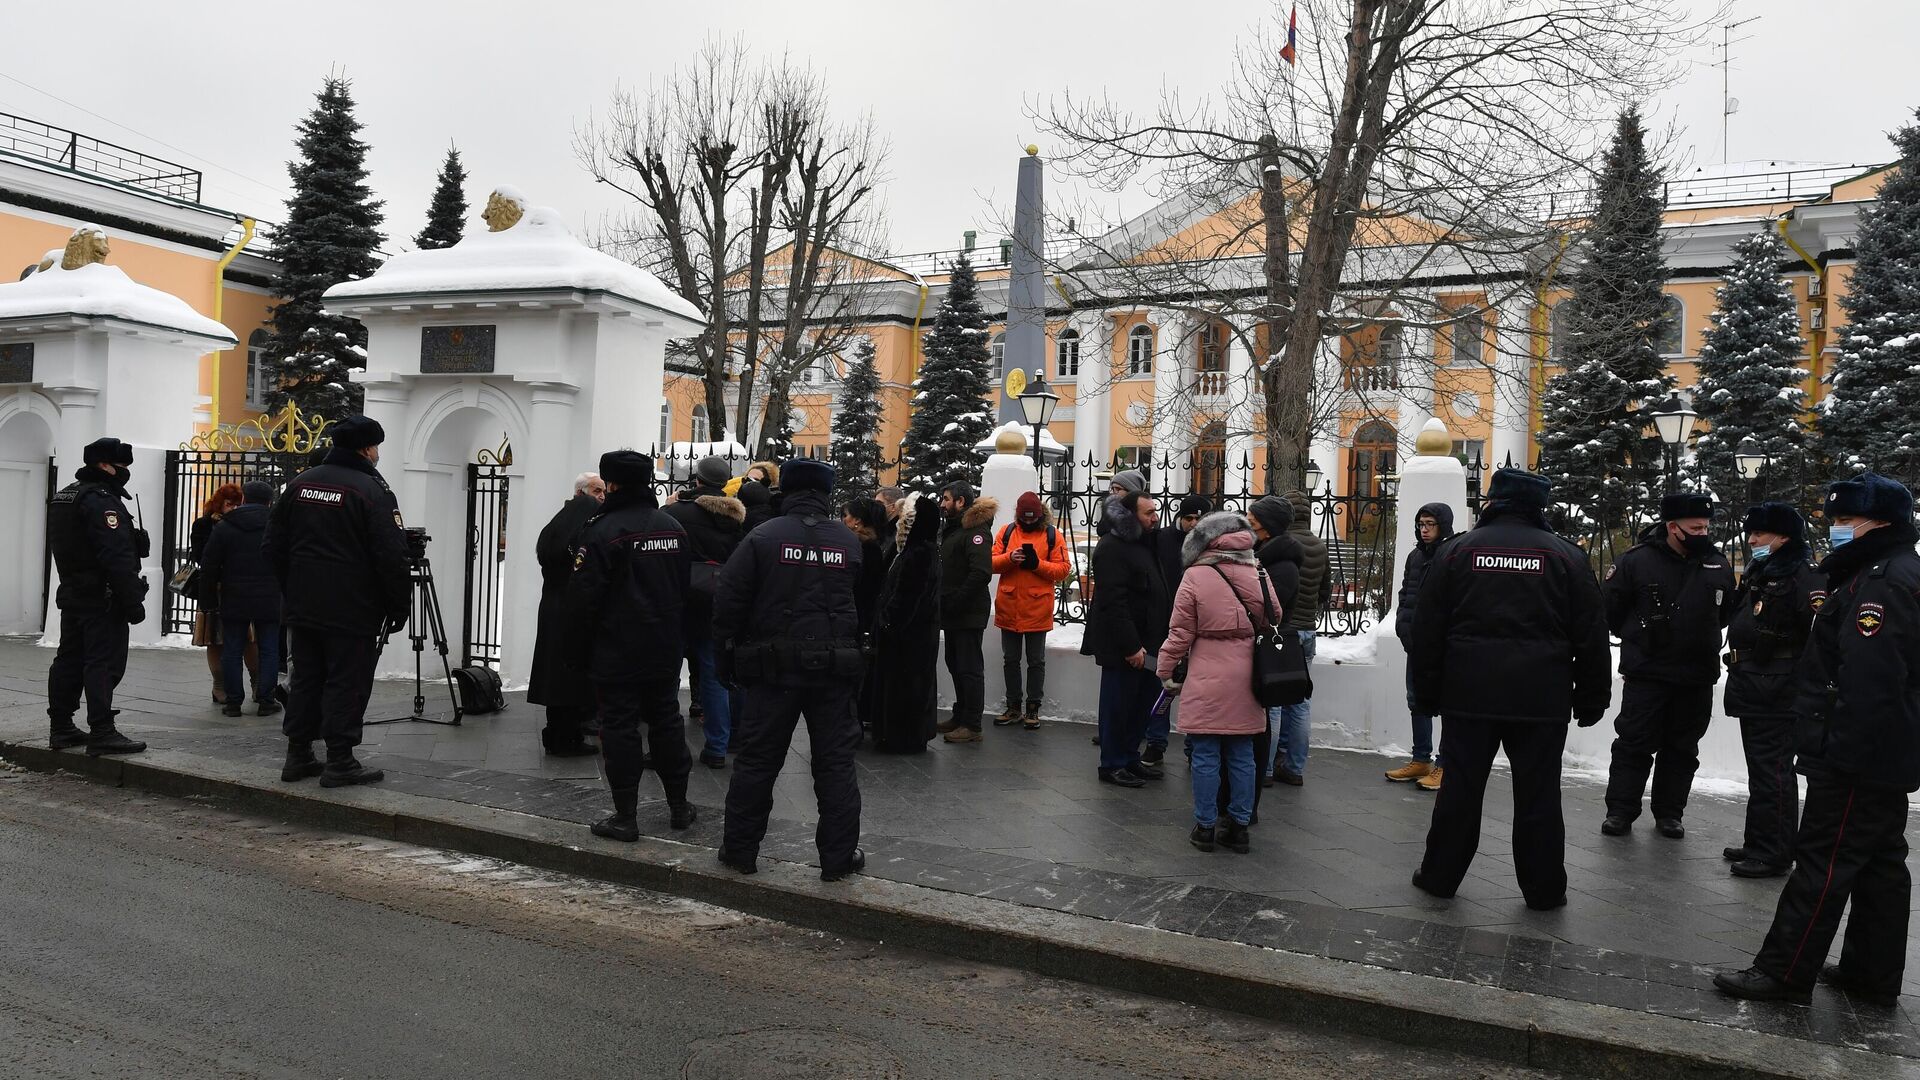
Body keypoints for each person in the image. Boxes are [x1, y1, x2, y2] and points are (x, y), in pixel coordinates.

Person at [1715, 473, 1920, 1006]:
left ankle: (1783, 972)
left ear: (1878, 523)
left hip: (1857, 754)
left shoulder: (1881, 582)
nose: (1835, 530)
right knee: (1880, 864)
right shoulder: (1880, 573)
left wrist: (1841, 755)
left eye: (1845, 521)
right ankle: (1870, 974)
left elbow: (1871, 679)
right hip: (1882, 750)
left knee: (1821, 862)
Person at [1410, 468, 1611, 911]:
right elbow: (1592, 634)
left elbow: (1428, 632)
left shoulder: (1455, 552)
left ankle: (1440, 875)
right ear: (1539, 507)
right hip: (1541, 698)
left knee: (1459, 790)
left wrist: (1425, 694)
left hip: (1469, 695)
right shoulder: (1566, 557)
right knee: (1539, 794)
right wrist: (1594, 694)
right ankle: (1544, 889)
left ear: (1492, 502)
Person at [713, 458, 866, 880]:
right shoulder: (847, 541)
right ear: (826, 493)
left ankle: (740, 850)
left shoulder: (763, 536)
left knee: (758, 762)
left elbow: (729, 598)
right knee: (835, 765)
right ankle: (838, 859)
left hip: (772, 668)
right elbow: (864, 605)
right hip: (834, 671)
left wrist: (725, 655)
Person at [265, 415, 410, 787]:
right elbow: (391, 556)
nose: (377, 454)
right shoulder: (372, 490)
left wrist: (293, 587)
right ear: (366, 448)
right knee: (347, 681)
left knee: (306, 679)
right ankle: (340, 760)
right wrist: (398, 605)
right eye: (375, 447)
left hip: (303, 606)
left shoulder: (299, 485)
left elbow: (272, 547)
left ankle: (298, 754)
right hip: (352, 608)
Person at [566, 450, 697, 841]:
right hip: (663, 646)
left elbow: (583, 598)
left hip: (617, 648)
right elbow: (683, 586)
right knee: (667, 722)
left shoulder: (601, 530)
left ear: (612, 484)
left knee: (620, 728)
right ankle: (679, 806)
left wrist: (576, 652)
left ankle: (625, 815)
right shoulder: (672, 527)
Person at [1600, 491, 1737, 839]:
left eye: (1706, 526)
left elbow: (1724, 612)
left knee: (1682, 748)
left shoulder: (1716, 563)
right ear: (1673, 527)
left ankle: (1670, 813)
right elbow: (1610, 611)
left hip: (1696, 675)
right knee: (1633, 743)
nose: (1703, 533)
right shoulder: (1637, 561)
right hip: (1648, 673)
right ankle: (1620, 810)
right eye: (1695, 527)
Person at [1721, 502, 1823, 879]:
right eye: (1751, 533)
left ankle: (1774, 852)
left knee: (1774, 771)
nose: (1751, 540)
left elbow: (1815, 632)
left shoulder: (1802, 574)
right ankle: (1758, 841)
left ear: (1783, 536)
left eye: (1759, 534)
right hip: (1755, 683)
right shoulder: (1762, 571)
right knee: (1760, 770)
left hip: (1779, 687)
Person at [1158, 512, 1271, 854]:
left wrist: (1165, 670)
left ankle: (1205, 827)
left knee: (1205, 753)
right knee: (1242, 754)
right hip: (1248, 672)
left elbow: (1179, 632)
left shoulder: (1195, 576)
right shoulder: (1258, 572)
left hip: (1206, 671)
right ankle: (1238, 827)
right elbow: (1275, 615)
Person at [45, 436, 149, 756]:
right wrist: (132, 600)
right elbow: (114, 556)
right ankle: (102, 730)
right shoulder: (101, 500)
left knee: (69, 660)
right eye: (121, 467)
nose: (125, 472)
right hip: (102, 598)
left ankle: (61, 727)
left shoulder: (66, 495)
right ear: (104, 465)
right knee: (103, 663)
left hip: (74, 592)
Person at [664, 455, 748, 769]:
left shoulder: (678, 511)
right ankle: (717, 747)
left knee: (669, 673)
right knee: (714, 675)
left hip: (680, 598)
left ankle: (667, 742)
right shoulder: (735, 515)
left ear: (697, 480)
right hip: (716, 600)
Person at [1084, 491, 1171, 787]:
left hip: (1150, 644)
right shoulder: (1112, 547)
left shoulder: (1144, 544)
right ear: (1130, 515)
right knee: (1118, 706)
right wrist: (1131, 646)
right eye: (1148, 513)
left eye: (1155, 511)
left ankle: (1130, 757)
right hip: (1125, 647)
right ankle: (1112, 763)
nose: (1155, 517)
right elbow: (1113, 601)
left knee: (1141, 705)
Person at [528, 472, 604, 757]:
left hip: (553, 606)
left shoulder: (558, 528)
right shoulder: (583, 528)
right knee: (570, 676)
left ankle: (560, 733)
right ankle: (566, 736)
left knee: (556, 675)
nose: (602, 497)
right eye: (597, 491)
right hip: (571, 609)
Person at [1386, 503, 1457, 791]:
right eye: (1421, 524)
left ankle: (1444, 764)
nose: (1424, 529)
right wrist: (1404, 628)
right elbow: (1405, 595)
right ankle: (1421, 759)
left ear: (1443, 525)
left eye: (1430, 524)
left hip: (1442, 646)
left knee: (1448, 704)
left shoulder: (1452, 554)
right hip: (1416, 644)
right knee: (1417, 701)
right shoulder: (1415, 556)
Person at [198, 481, 282, 719]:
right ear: (269, 501)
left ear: (244, 499)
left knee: (232, 650)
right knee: (269, 650)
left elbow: (209, 565)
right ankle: (266, 700)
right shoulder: (277, 526)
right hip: (270, 596)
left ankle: (233, 702)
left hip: (234, 596)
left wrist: (208, 600)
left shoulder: (226, 526)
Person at [867, 493, 942, 753]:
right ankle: (897, 734)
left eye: (904, 519)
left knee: (906, 687)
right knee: (902, 686)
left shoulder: (919, 553)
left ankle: (903, 737)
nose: (898, 523)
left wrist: (889, 623)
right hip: (911, 635)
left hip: (910, 637)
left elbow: (908, 595)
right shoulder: (912, 551)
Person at [991, 491, 1070, 730]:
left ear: (1039, 515)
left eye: (1031, 518)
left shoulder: (1052, 535)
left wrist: (1036, 564)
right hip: (1009, 606)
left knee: (1036, 661)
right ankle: (1014, 706)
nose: (1027, 522)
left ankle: (1033, 708)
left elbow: (1063, 569)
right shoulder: (1006, 532)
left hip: (1037, 608)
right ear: (1018, 515)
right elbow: (990, 562)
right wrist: (1009, 558)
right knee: (1010, 660)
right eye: (1023, 518)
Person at [1270, 490, 1330, 786]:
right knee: (1301, 701)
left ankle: (1267, 768)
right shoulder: (1319, 545)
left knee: (1274, 701)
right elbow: (1325, 592)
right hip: (1308, 630)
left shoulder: (1281, 545)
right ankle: (1294, 768)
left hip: (1284, 631)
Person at [1246, 495, 1303, 794]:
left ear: (1266, 529)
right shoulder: (1262, 557)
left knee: (1270, 712)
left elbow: (1268, 609)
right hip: (1256, 643)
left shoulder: (1281, 567)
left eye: (1252, 523)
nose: (1246, 527)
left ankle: (1263, 767)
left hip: (1267, 645)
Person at [935, 482, 996, 744]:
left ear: (960, 502)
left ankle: (972, 725)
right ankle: (960, 716)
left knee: (969, 668)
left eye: (946, 499)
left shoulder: (976, 532)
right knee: (955, 664)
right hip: (953, 611)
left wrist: (957, 600)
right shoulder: (955, 529)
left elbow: (980, 572)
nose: (942, 503)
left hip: (967, 611)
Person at [190, 482, 253, 706]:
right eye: (229, 504)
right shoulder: (204, 525)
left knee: (249, 639)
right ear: (218, 503)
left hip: (240, 588)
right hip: (214, 590)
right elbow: (201, 556)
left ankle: (257, 685)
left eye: (238, 504)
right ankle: (219, 687)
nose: (233, 509)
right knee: (215, 639)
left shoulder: (243, 524)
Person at [875, 485, 905, 566]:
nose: (875, 507)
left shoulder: (901, 534)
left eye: (879, 503)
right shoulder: (882, 530)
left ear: (893, 507)